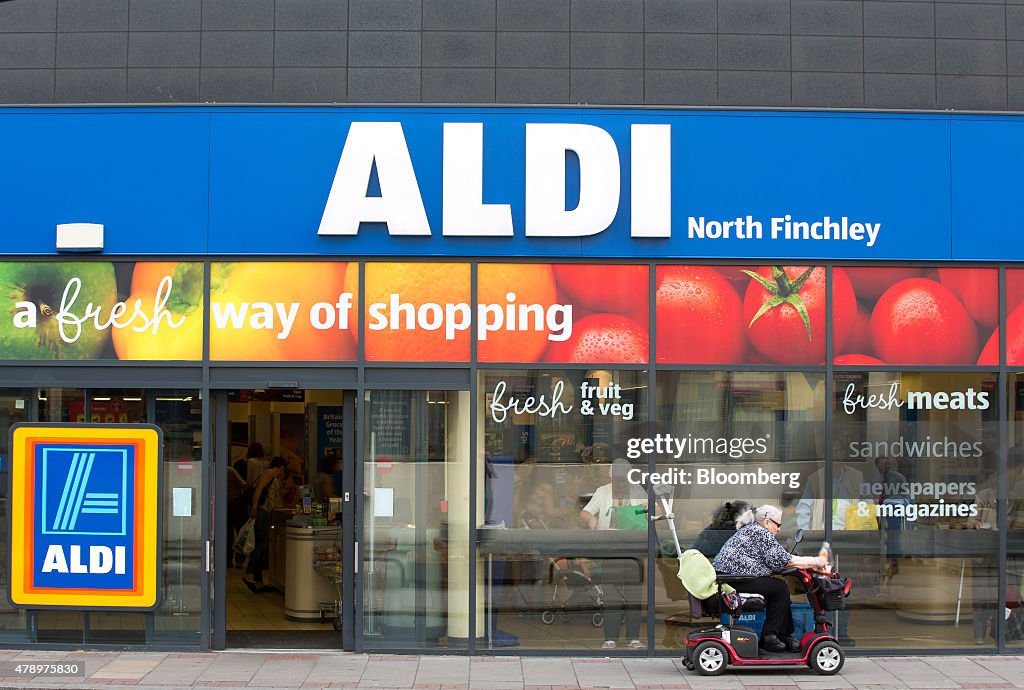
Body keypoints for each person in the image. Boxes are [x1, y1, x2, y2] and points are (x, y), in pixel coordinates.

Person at [713, 504, 828, 654]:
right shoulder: (761, 533)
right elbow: (787, 561)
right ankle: (769, 637)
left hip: (732, 578)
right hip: (736, 579)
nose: (779, 529)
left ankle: (784, 635)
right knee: (780, 589)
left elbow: (776, 560)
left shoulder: (752, 530)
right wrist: (817, 561)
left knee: (779, 589)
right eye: (778, 524)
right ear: (767, 522)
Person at [581, 458, 647, 650]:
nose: (620, 484)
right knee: (611, 594)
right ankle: (610, 638)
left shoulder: (636, 490)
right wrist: (592, 520)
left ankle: (633, 638)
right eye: (617, 480)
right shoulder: (603, 491)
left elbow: (655, 508)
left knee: (634, 594)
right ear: (611, 478)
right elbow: (585, 512)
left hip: (633, 550)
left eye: (624, 479)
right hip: (610, 549)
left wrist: (646, 508)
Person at [243, 456, 287, 593]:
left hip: (265, 511)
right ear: (281, 467)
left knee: (261, 544)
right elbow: (259, 490)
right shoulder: (269, 473)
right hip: (262, 511)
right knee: (261, 544)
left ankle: (258, 580)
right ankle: (249, 575)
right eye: (283, 470)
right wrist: (255, 508)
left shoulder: (273, 476)